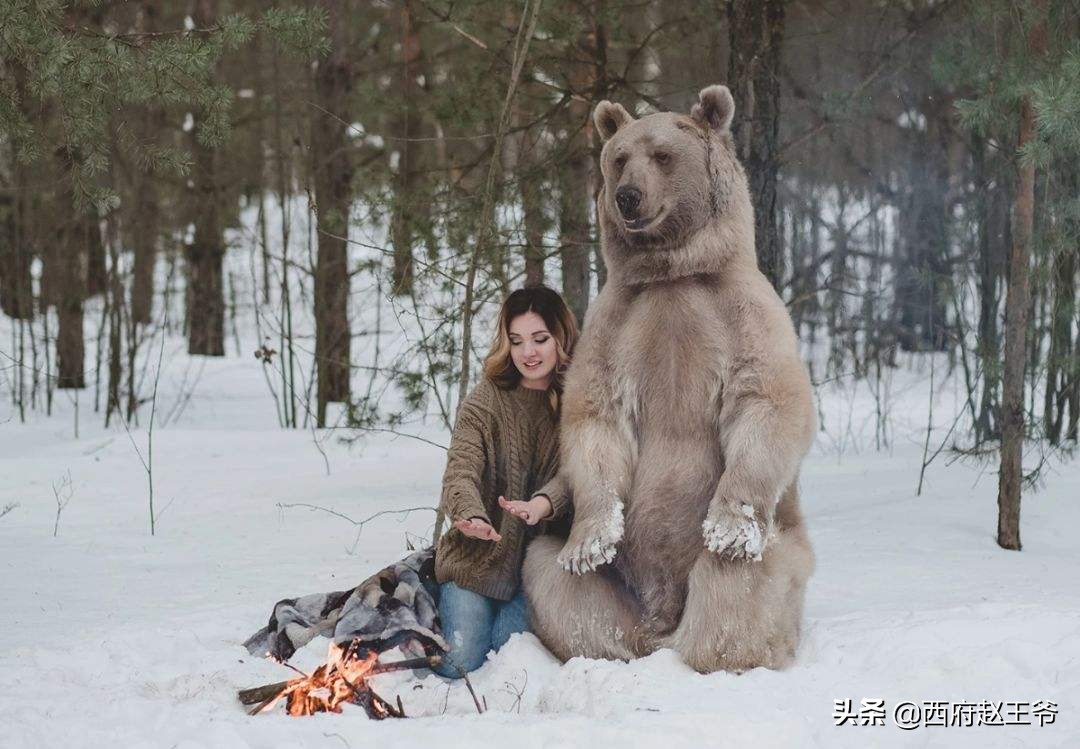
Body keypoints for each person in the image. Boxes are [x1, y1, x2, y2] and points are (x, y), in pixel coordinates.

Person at [432, 285, 577, 678]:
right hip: (475, 564)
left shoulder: (580, 402)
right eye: (517, 341)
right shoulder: (486, 400)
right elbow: (460, 467)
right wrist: (468, 514)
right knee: (461, 664)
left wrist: (543, 505)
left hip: (534, 574)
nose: (528, 352)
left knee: (509, 661)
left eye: (539, 339)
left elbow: (579, 474)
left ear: (561, 338)